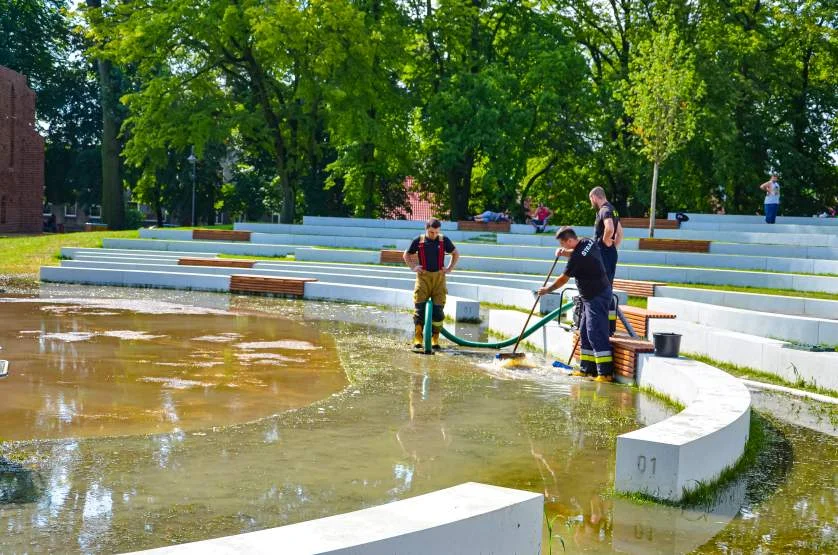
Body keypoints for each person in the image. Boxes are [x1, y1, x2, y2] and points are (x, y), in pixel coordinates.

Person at [538, 227, 613, 382]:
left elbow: (563, 278)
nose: (564, 247)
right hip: (592, 296)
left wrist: (548, 289)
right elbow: (578, 253)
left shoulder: (576, 258)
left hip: (597, 296)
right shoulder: (587, 242)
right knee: (585, 332)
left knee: (595, 332)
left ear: (570, 240)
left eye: (563, 244)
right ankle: (587, 370)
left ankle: (605, 373)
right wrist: (564, 252)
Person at [403, 218, 459, 350]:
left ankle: (435, 339)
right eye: (431, 232)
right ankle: (418, 338)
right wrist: (413, 267)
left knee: (438, 312)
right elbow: (406, 255)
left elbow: (456, 253)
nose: (434, 235)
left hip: (439, 279)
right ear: (426, 229)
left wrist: (449, 268)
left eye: (436, 232)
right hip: (423, 278)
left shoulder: (444, 240)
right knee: (419, 310)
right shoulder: (419, 240)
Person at [588, 187, 623, 284]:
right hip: (610, 253)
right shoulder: (613, 210)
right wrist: (612, 247)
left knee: (598, 285)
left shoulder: (604, 210)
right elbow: (620, 233)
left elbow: (610, 228)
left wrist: (604, 243)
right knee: (608, 285)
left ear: (594, 197)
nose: (591, 202)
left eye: (591, 199)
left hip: (602, 252)